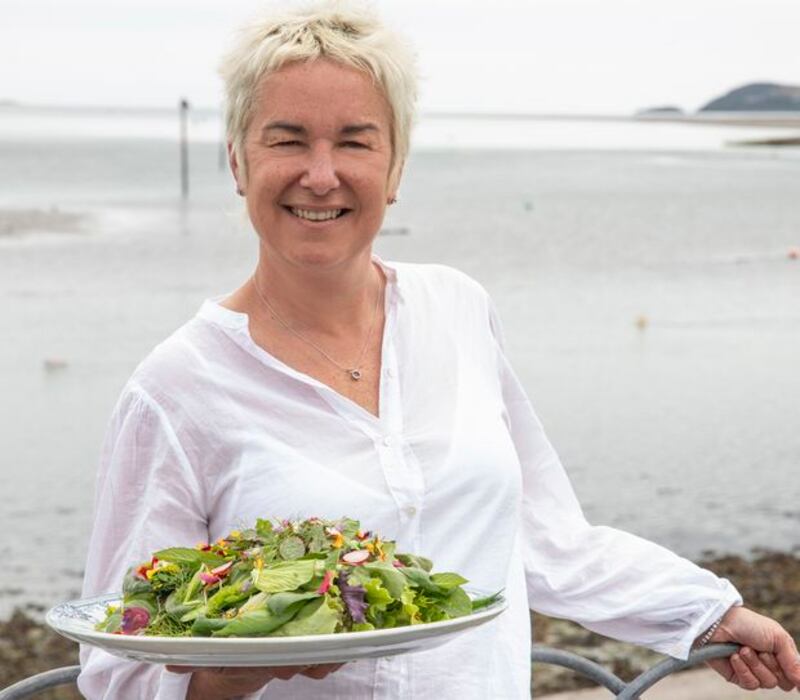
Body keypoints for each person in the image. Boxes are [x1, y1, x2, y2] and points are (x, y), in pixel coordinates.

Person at [78, 2, 800, 698]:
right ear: (238, 161)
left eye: (356, 141)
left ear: (395, 169)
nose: (321, 174)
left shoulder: (457, 310)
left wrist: (707, 611)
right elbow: (122, 669)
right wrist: (223, 678)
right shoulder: (176, 389)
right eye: (288, 138)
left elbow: (543, 536)